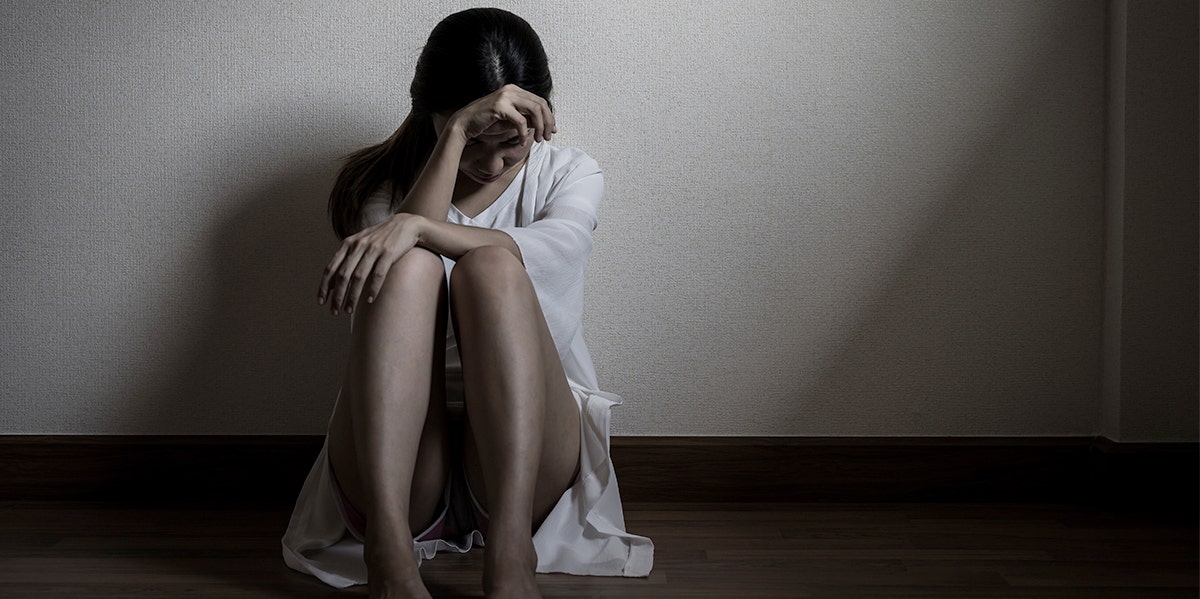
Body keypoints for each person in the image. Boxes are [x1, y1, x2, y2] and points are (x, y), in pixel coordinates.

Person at [280, 8, 654, 599]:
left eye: (510, 144)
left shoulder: (571, 174)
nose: (491, 163)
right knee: (405, 261)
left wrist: (417, 228)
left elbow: (556, 249)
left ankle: (511, 552)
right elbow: (404, 247)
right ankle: (389, 553)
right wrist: (452, 138)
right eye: (473, 139)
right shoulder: (387, 185)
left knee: (493, 266)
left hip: (522, 459)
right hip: (402, 464)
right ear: (431, 114)